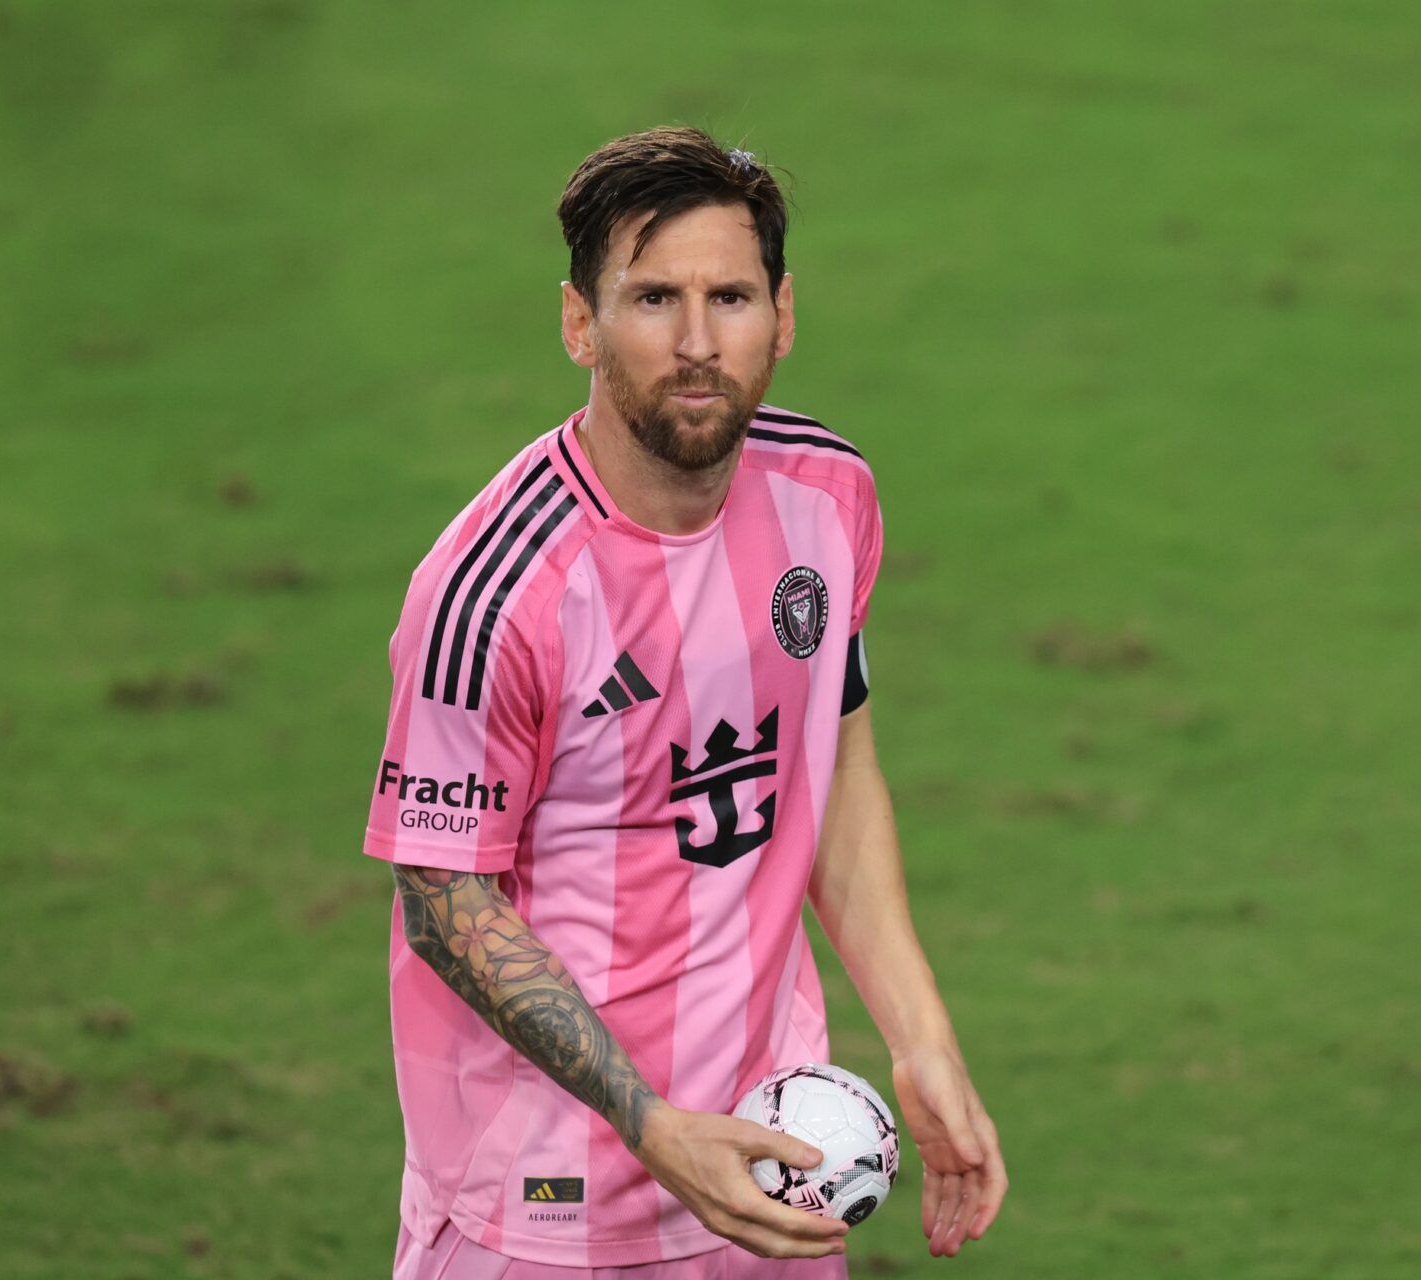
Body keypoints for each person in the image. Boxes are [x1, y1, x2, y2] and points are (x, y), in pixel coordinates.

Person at [364, 126, 1007, 1280]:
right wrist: (655, 1129)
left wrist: (923, 1038)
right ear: (578, 323)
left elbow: (834, 769)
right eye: (654, 297)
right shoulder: (495, 591)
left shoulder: (828, 497)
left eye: (732, 295)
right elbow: (443, 899)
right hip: (543, 1202)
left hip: (772, 1171)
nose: (700, 342)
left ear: (786, 314)